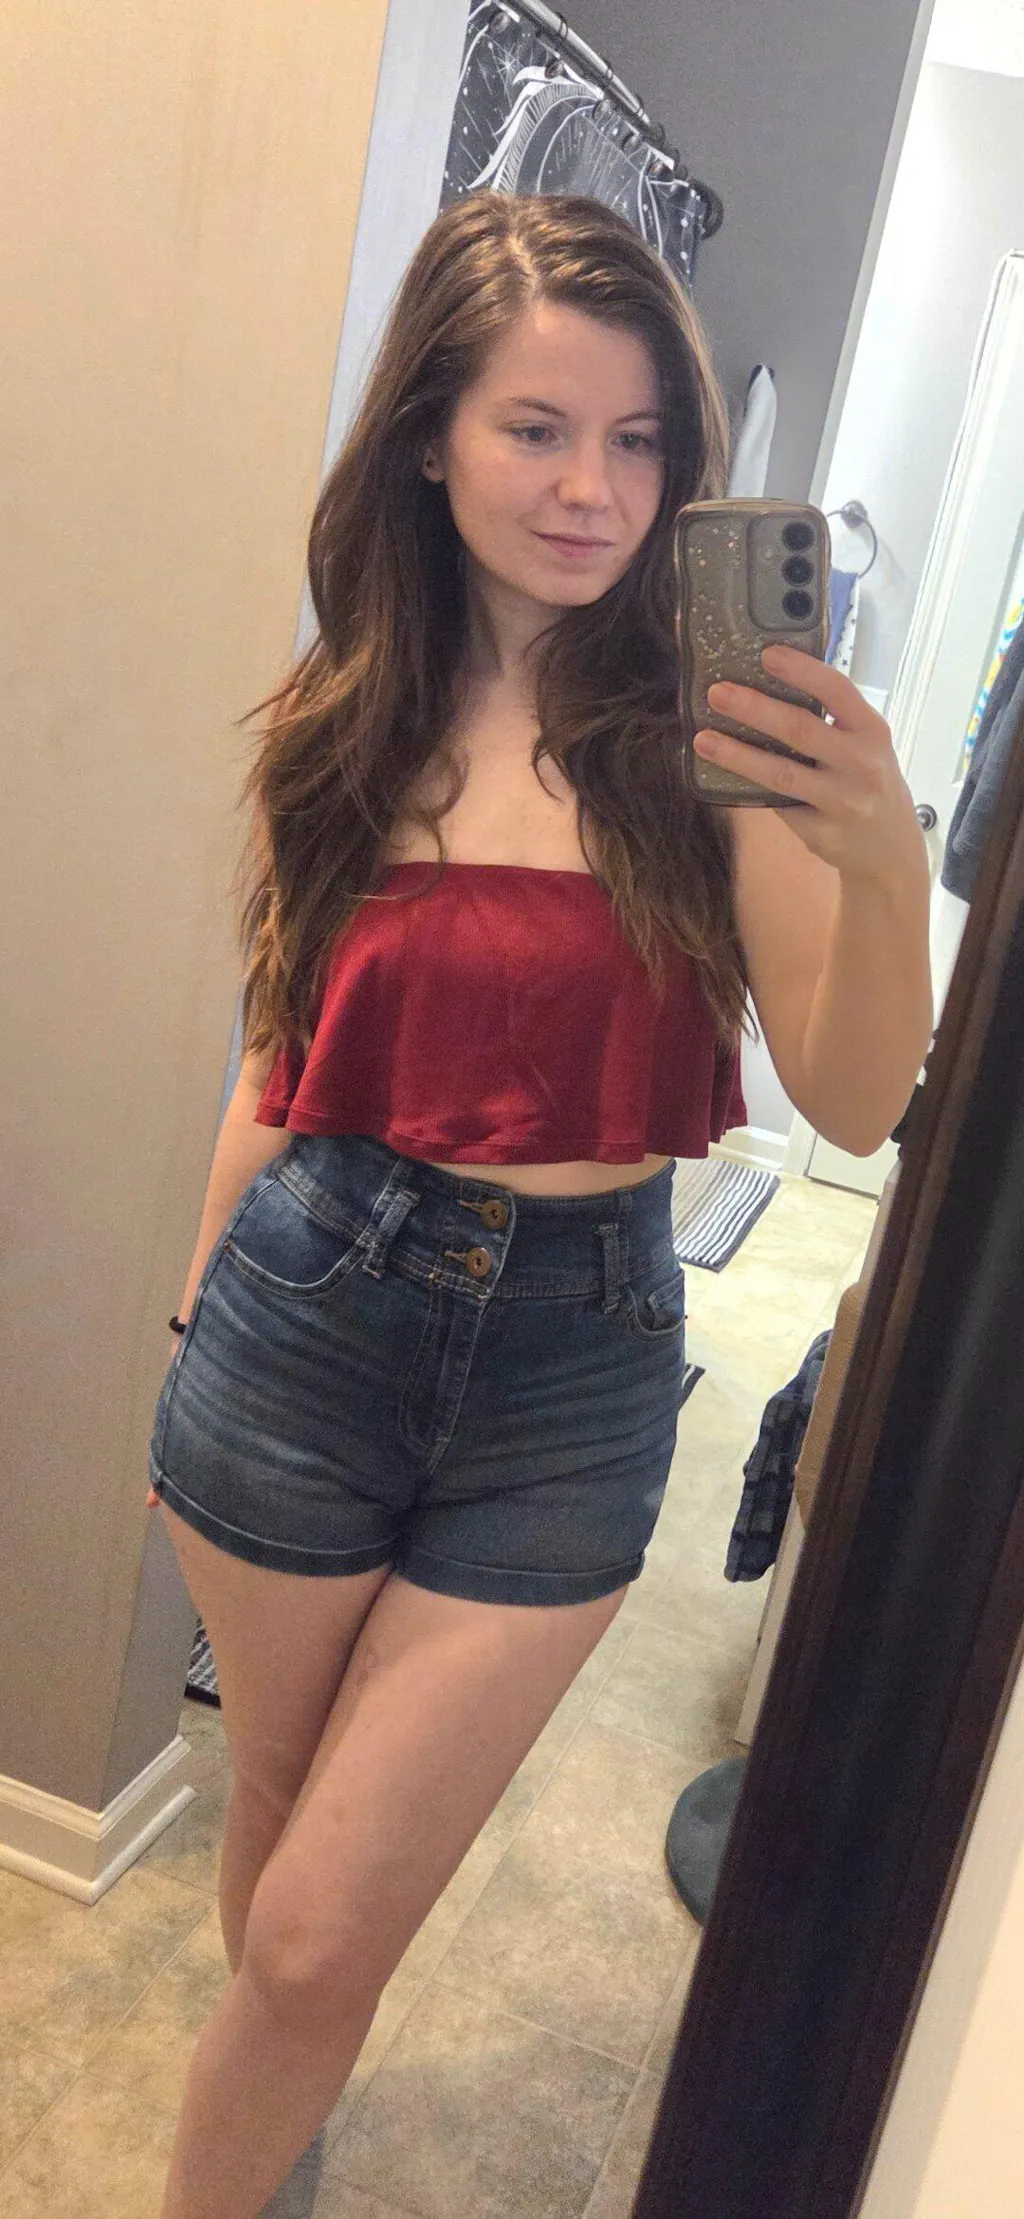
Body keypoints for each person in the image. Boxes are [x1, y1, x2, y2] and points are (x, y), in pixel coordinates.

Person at [147, 191, 932, 2219]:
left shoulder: (713, 746)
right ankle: (279, 2129)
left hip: (573, 1369)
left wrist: (880, 858)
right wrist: (196, 1302)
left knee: (321, 1924)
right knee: (279, 1822)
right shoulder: (340, 722)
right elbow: (283, 1052)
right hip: (301, 1311)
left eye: (639, 440)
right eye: (536, 428)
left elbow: (856, 1099)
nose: (594, 487)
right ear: (430, 435)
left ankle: (257, 2104)